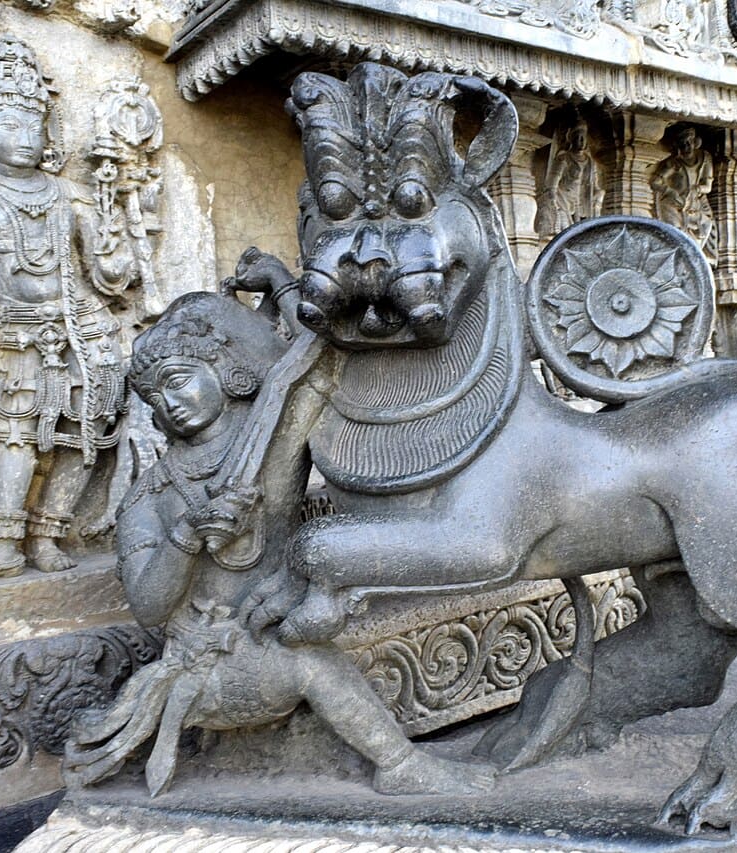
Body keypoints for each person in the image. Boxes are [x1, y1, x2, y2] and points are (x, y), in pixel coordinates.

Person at [64, 292, 494, 797]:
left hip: (272, 622)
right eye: (155, 400)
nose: (170, 404)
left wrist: (284, 287)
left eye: (178, 383)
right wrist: (187, 536)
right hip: (214, 662)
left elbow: (307, 364)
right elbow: (148, 607)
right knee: (309, 662)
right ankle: (399, 765)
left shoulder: (268, 438)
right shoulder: (151, 495)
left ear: (226, 372)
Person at [0, 35, 137, 588]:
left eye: (34, 126)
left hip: (84, 328)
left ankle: (49, 531)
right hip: (13, 328)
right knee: (13, 428)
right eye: (10, 125)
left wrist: (114, 229)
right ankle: (4, 542)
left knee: (86, 428)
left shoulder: (71, 193)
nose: (25, 138)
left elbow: (109, 274)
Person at [651, 126, 716, 260]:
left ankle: (694, 258)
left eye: (689, 142)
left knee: (706, 225)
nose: (687, 146)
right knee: (674, 232)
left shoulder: (705, 159)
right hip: (674, 205)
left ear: (695, 142)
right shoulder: (674, 163)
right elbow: (655, 182)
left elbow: (708, 186)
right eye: (683, 144)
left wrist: (696, 190)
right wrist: (670, 191)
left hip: (695, 205)